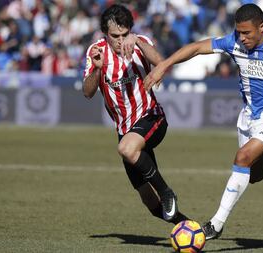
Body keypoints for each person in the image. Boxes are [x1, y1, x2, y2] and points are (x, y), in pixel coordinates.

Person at [144, 3, 263, 239]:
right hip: (248, 117)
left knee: (242, 158)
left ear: (262, 27)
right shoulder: (233, 41)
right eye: (239, 32)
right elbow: (197, 48)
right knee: (254, 174)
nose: (242, 38)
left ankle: (215, 225)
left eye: (247, 33)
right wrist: (164, 64)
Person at [82, 4, 187, 225]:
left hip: (151, 118)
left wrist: (137, 39)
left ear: (130, 29)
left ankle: (167, 193)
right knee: (149, 202)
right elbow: (87, 93)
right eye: (115, 36)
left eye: (124, 34)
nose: (120, 41)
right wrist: (99, 68)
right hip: (125, 129)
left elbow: (161, 62)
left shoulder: (141, 43)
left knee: (126, 149)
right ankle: (188, 226)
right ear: (105, 34)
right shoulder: (97, 52)